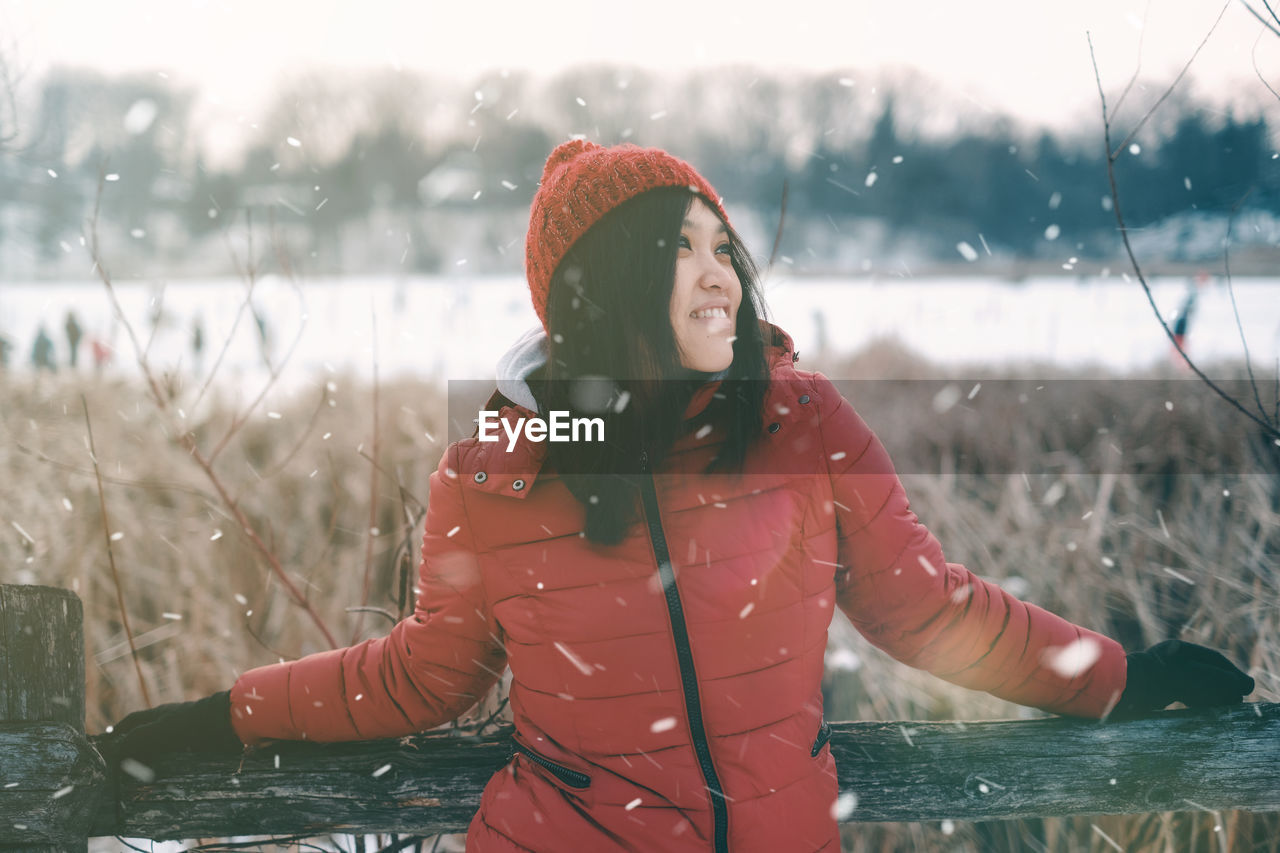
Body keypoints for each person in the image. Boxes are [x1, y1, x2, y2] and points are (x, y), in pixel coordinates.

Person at [100, 141, 1255, 852]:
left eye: (725, 248)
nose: (719, 274)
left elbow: (922, 608)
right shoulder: (498, 469)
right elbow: (421, 674)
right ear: (599, 289)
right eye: (681, 248)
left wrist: (1112, 679)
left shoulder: (798, 424)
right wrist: (219, 719)